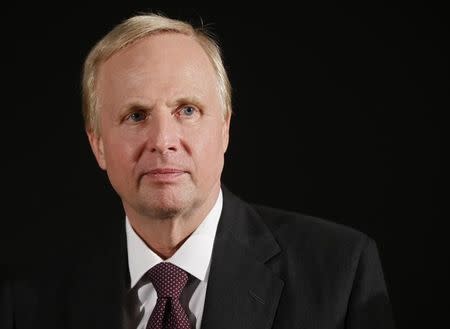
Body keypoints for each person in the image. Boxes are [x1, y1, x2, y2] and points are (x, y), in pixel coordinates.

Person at [1, 13, 395, 329]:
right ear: (98, 144)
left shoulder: (341, 274)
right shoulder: (30, 300)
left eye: (187, 110)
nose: (162, 140)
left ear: (224, 128)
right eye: (136, 115)